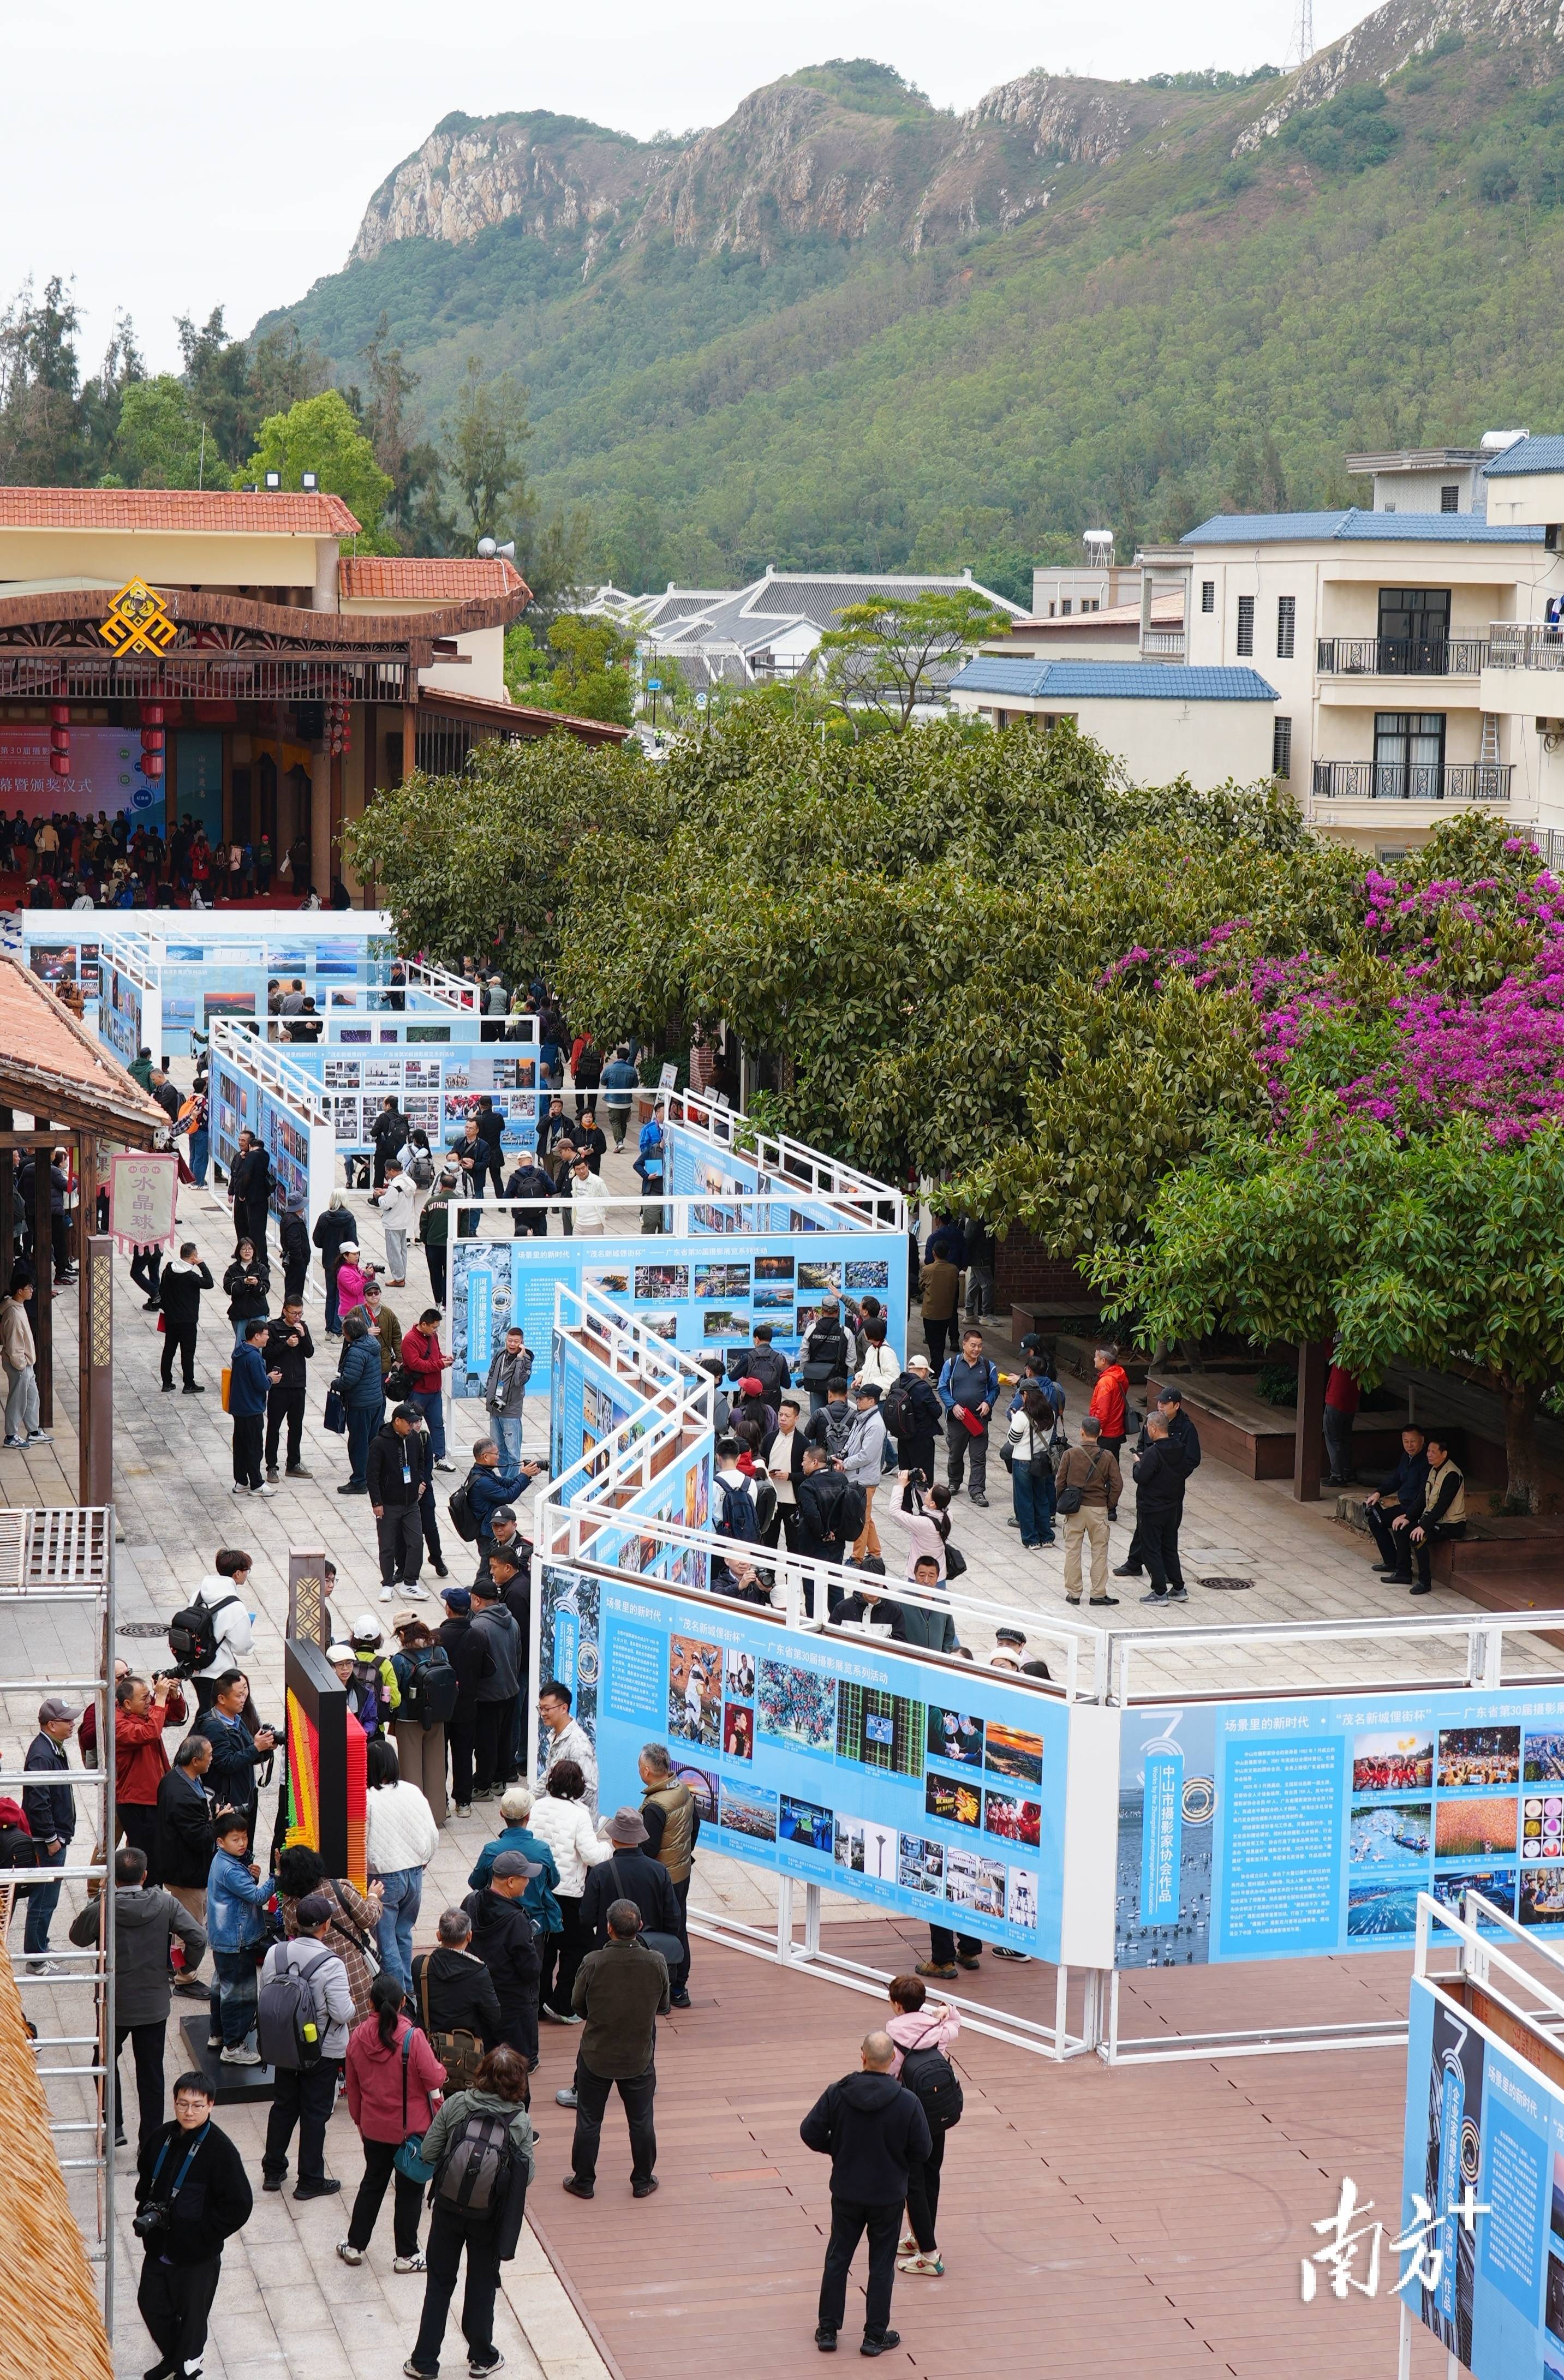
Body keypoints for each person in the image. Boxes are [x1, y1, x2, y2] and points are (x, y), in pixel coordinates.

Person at [405, 2044, 535, 2380]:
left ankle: (424, 2362)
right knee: (481, 2284)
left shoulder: (458, 2104)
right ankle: (481, 2357)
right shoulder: (519, 2122)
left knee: (439, 2283)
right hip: (488, 2218)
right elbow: (526, 2177)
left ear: (482, 2072)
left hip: (448, 2210)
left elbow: (429, 2151)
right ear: (518, 2084)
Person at [801, 2030, 932, 2357]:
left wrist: (838, 2149)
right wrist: (896, 2161)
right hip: (888, 2195)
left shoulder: (838, 2092)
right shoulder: (908, 2102)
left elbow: (810, 2132)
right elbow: (923, 2150)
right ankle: (874, 2337)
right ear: (893, 2059)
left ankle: (828, 2331)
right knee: (882, 2264)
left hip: (847, 2191)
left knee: (838, 2257)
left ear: (862, 2056)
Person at [70, 1845, 206, 2153]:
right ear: (145, 1876)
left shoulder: (104, 1907)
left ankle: (113, 2126)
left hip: (113, 2004)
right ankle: (151, 2142)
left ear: (113, 1876)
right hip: (153, 2005)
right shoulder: (166, 1904)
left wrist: (99, 1898)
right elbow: (198, 1937)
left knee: (104, 2062)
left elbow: (77, 1937)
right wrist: (185, 1966)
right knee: (151, 2073)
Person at [134, 2072, 253, 2380]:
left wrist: (203, 2236)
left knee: (192, 2321)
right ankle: (175, 2358)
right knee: (150, 2304)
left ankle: (187, 2370)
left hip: (198, 2257)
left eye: (197, 2105)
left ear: (211, 2105)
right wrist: (146, 2208)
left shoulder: (221, 2150)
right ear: (174, 2103)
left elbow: (240, 2205)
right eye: (182, 2104)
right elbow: (146, 2179)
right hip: (159, 2247)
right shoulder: (160, 2138)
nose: (189, 2112)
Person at [339, 1969, 447, 2276]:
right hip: (412, 2132)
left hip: (374, 2129)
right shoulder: (413, 2038)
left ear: (370, 2004)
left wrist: (360, 2122)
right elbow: (435, 2078)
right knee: (410, 2190)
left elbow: (353, 2088)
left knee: (372, 2184)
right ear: (402, 2004)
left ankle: (355, 2246)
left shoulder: (357, 2037)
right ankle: (407, 2255)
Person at [562, 1899, 670, 2197]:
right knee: (642, 2121)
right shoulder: (656, 1961)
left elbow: (577, 2005)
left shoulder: (593, 1962)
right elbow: (663, 2005)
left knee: (589, 2120)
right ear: (639, 1926)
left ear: (608, 1928)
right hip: (638, 2055)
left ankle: (584, 2181)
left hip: (596, 2053)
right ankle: (643, 2180)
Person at [260, 1890, 358, 2198]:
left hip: (284, 2046)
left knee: (283, 2106)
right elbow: (342, 2013)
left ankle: (273, 2170)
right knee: (315, 2113)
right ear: (326, 1925)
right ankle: (310, 2180)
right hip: (321, 2050)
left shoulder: (275, 1954)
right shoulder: (331, 1963)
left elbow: (267, 1994)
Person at [884, 1976, 960, 2280]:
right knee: (931, 2176)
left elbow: (890, 2074)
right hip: (937, 2112)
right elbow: (956, 2022)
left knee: (913, 2184)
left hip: (911, 2117)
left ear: (897, 2005)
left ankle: (929, 2255)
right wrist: (945, 2009)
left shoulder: (894, 2032)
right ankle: (919, 2236)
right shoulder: (936, 2027)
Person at [527, 1759, 611, 2024]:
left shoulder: (537, 1806)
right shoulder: (580, 1814)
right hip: (568, 1892)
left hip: (538, 1889)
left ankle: (539, 2002)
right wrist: (609, 1848)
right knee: (578, 1946)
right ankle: (562, 2002)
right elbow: (591, 1855)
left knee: (545, 1947)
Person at [365, 1736, 439, 1994]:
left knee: (386, 1942)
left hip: (383, 1878)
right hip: (415, 1873)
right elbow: (432, 1833)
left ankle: (400, 1996)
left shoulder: (368, 1799)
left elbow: (362, 1841)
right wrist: (424, 1860)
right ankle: (408, 1989)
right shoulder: (412, 1791)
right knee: (404, 1934)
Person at [205, 1811, 274, 2062]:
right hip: (237, 1940)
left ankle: (218, 2034)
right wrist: (275, 1879)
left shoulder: (223, 1861)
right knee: (241, 1995)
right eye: (236, 1839)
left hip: (224, 1938)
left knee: (222, 1989)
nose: (242, 1843)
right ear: (221, 1842)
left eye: (244, 1837)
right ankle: (234, 2047)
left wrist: (252, 1876)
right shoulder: (230, 1869)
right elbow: (258, 1897)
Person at [463, 1849, 544, 2062]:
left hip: (480, 1999)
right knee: (515, 2066)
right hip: (511, 2006)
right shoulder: (517, 1921)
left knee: (485, 2062)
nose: (528, 1882)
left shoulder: (471, 1902)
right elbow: (531, 1970)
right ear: (511, 1882)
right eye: (525, 1877)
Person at [1115, 1386, 1201, 1582]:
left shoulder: (1186, 1428)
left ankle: (1165, 1575)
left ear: (1177, 1406)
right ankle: (1134, 1562)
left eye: (1165, 1403)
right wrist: (1143, 1461)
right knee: (1143, 1525)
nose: (1160, 1406)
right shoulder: (1153, 1421)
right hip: (1150, 1482)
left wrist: (1175, 1475)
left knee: (1167, 1532)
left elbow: (1193, 1459)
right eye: (1159, 1402)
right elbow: (1142, 1446)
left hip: (1171, 1490)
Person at [411, 1904, 504, 2078]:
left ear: (438, 1935)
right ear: (470, 1936)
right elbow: (494, 2016)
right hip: (467, 2054)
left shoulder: (421, 1966)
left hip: (428, 2049)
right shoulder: (480, 1974)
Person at [20, 1693, 78, 1966]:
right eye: (68, 1721)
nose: (73, 1724)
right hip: (48, 1843)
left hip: (53, 1838)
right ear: (52, 1725)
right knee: (43, 1900)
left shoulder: (52, 1747)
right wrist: (52, 1838)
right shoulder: (43, 1755)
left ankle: (40, 1946)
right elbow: (39, 1800)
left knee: (46, 1899)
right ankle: (36, 1960)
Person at [468, 1783, 562, 1944]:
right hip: (535, 1926)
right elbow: (554, 1882)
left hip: (497, 1924)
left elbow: (475, 1883)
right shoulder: (542, 1850)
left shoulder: (491, 1850)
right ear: (528, 1816)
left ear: (501, 1814)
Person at [113, 1669, 188, 1865]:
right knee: (145, 1856)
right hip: (137, 1801)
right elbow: (150, 1733)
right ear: (127, 1704)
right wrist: (161, 1698)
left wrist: (173, 1695)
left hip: (155, 1796)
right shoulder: (118, 1724)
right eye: (145, 1698)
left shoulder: (140, 1712)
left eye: (150, 1695)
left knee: (159, 1854)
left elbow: (175, 1715)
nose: (150, 1701)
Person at [390, 1613, 455, 1825]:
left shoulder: (400, 1660)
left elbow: (395, 1690)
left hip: (409, 1720)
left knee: (411, 1771)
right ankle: (436, 1815)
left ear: (402, 1633)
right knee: (436, 1768)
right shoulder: (440, 1651)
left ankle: (414, 1819)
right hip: (437, 1716)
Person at [1054, 1416, 1122, 1610]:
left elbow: (1059, 1482)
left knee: (1072, 1550)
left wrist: (1064, 1501)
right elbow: (1117, 1484)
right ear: (1100, 1433)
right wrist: (1109, 1504)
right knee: (1099, 1551)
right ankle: (1098, 1594)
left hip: (1075, 1509)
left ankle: (1074, 1593)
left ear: (1081, 1431)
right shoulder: (1108, 1456)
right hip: (1098, 1509)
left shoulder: (1070, 1454)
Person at [195, 1670, 276, 1832]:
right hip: (230, 1804)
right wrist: (256, 1747)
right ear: (222, 1699)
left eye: (245, 1693)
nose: (244, 1699)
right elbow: (226, 1763)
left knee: (246, 1843)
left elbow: (246, 1754)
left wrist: (265, 1748)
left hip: (246, 1797)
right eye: (239, 1696)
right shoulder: (214, 1727)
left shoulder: (236, 1718)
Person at [367, 1401, 432, 1597]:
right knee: (387, 1546)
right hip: (388, 1504)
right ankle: (387, 1584)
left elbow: (421, 1461)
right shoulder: (380, 1443)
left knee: (416, 1542)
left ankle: (410, 1582)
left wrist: (419, 1480)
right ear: (397, 1421)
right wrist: (377, 1502)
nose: (412, 1426)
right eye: (409, 1423)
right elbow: (372, 1475)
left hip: (411, 1503)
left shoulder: (414, 1439)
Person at [182, 1548, 258, 1714]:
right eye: (247, 1570)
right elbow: (242, 1647)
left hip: (196, 1666)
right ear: (238, 1574)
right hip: (218, 1672)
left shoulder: (198, 1595)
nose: (247, 1574)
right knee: (213, 1717)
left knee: (207, 1711)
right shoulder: (235, 1606)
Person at [154, 1734, 218, 1929]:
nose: (212, 1759)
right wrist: (220, 1822)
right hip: (187, 1874)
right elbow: (200, 1837)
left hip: (184, 1867)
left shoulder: (177, 1777)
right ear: (195, 1761)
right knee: (189, 1931)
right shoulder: (182, 1795)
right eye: (209, 1755)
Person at [1131, 1412, 1192, 1605]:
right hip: (1173, 1506)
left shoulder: (1153, 1453)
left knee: (1152, 1549)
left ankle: (1159, 1592)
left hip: (1152, 1508)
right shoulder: (1180, 1448)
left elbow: (1141, 1477)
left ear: (1154, 1428)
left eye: (1148, 1428)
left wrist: (1138, 1464)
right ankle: (1179, 1588)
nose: (1147, 1431)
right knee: (1170, 1548)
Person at [470, 1577, 523, 1798]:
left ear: (477, 1600)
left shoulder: (478, 1627)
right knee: (504, 1739)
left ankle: (482, 1785)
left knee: (485, 1743)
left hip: (487, 1695)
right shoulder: (513, 1622)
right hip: (510, 1691)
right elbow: (518, 1656)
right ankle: (500, 1780)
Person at [938, 1327, 999, 1507]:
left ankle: (977, 1490)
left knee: (979, 1457)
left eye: (980, 1346)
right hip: (958, 1419)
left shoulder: (988, 1366)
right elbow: (942, 1388)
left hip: (979, 1419)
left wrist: (988, 1403)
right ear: (964, 1344)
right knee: (955, 1453)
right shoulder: (951, 1364)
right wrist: (953, 1406)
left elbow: (995, 1388)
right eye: (973, 1345)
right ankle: (954, 1482)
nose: (976, 1349)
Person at [1364, 1425, 1431, 1586]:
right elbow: (1396, 1479)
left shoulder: (1426, 1462)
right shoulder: (1406, 1457)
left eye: (1413, 1441)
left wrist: (1408, 1516)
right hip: (1404, 1506)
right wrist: (1378, 1493)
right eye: (1406, 1441)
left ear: (1422, 1440)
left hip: (1418, 1510)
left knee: (1399, 1526)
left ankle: (1404, 1572)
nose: (1409, 1445)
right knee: (1375, 1520)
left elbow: (1423, 1495)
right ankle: (1391, 1562)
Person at [262, 1295, 314, 1481]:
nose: (297, 1317)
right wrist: (286, 1344)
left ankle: (293, 1463)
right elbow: (267, 1354)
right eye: (294, 1313)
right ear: (285, 1311)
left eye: (300, 1313)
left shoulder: (302, 1327)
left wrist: (303, 1336)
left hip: (298, 1385)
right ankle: (271, 1466)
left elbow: (310, 1353)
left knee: (296, 1427)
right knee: (274, 1427)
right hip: (279, 1386)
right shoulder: (273, 1328)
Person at [334, 1313, 386, 1496]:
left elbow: (349, 1380)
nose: (343, 1333)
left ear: (351, 1334)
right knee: (371, 1442)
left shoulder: (356, 1352)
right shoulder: (372, 1344)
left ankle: (359, 1481)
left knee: (358, 1444)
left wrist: (335, 1384)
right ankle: (372, 1478)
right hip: (375, 1401)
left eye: (344, 1331)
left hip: (361, 1404)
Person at [1410, 1434, 1466, 1595]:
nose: (1429, 1455)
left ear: (1444, 1454)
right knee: (1405, 1528)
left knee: (1419, 1538)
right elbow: (1423, 1497)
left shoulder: (1452, 1474)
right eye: (1428, 1451)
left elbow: (1442, 1506)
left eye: (1433, 1452)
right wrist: (1407, 1517)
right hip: (1437, 1520)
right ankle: (1403, 1571)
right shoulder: (1434, 1470)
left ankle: (1424, 1582)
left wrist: (1423, 1526)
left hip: (1452, 1524)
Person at [1005, 1385, 1059, 1549]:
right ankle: (1046, 1537)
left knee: (1025, 1500)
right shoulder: (1051, 1413)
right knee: (1041, 1498)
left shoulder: (1021, 1416)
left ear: (1026, 1395)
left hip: (1023, 1461)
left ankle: (1031, 1539)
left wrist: (1014, 1418)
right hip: (1041, 1461)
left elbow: (1012, 1440)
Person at [229, 1318, 276, 1498]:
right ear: (256, 1336)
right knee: (254, 1447)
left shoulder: (240, 1352)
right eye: (266, 1334)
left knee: (240, 1446)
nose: (268, 1337)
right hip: (252, 1408)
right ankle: (257, 1483)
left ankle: (241, 1481)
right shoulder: (254, 1357)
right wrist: (270, 1379)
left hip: (239, 1407)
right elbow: (261, 1384)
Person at [403, 1308, 455, 1471]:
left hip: (434, 1391)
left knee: (437, 1425)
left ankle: (440, 1457)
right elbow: (416, 1364)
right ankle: (409, 1457)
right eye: (434, 1327)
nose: (436, 1331)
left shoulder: (433, 1337)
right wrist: (440, 1364)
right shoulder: (410, 1340)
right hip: (417, 1391)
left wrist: (444, 1359)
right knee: (411, 1425)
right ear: (424, 1324)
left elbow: (436, 1356)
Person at [157, 1245, 212, 1397]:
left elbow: (161, 1290)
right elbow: (209, 1283)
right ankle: (189, 1384)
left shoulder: (168, 1270)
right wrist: (202, 1265)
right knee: (187, 1353)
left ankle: (166, 1382)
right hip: (188, 1321)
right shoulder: (191, 1277)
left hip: (171, 1318)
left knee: (169, 1350)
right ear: (193, 1257)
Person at [536, 1677, 599, 1809]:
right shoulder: (555, 1735)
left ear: (564, 1708)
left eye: (547, 1709)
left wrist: (560, 1807)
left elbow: (590, 1788)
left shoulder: (578, 1745)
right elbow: (549, 1775)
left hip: (574, 1819)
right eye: (540, 1708)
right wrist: (528, 1798)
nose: (542, 1713)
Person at [843, 1383, 888, 1562]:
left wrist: (846, 1463)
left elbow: (866, 1455)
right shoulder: (862, 1418)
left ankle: (857, 1558)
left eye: (861, 1398)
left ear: (872, 1401)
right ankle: (875, 1552)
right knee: (866, 1517)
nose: (858, 1401)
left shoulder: (875, 1425)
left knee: (861, 1519)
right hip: (858, 1476)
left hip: (865, 1480)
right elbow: (851, 1444)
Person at [0, 1269, 45, 1447]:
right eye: (29, 1288)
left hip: (26, 1364)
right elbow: (14, 1344)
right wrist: (21, 1364)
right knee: (17, 1401)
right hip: (19, 1364)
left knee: (33, 1397)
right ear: (20, 1291)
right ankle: (11, 1436)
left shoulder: (18, 1307)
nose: (32, 1291)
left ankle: (33, 1432)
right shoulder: (13, 1313)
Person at [483, 1325, 533, 1472]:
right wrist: (489, 1391)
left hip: (511, 1412)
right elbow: (491, 1374)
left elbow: (519, 1381)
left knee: (512, 1452)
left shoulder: (526, 1360)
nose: (512, 1344)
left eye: (516, 1342)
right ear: (506, 1340)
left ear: (522, 1343)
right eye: (510, 1340)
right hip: (495, 1407)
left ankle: (513, 1482)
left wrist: (520, 1359)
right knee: (498, 1450)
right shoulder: (501, 1354)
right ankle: (505, 1480)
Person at [886, 1353, 942, 1485]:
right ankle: (923, 1499)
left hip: (902, 1436)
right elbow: (937, 1411)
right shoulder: (923, 1387)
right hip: (921, 1439)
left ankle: (905, 1499)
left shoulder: (896, 1384)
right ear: (923, 1370)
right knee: (923, 1478)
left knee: (905, 1476)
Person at [313, 1192, 358, 1337]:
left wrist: (328, 1245)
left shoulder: (324, 1218)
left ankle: (329, 1329)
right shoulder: (349, 1219)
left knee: (331, 1296)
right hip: (344, 1264)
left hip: (329, 1262)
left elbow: (317, 1240)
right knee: (342, 1297)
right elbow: (354, 1242)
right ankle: (338, 1329)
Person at [798, 1298, 852, 1412]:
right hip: (838, 1383)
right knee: (840, 1417)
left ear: (822, 1311)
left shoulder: (811, 1330)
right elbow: (852, 1360)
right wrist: (844, 1377)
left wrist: (807, 1372)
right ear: (838, 1311)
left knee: (817, 1417)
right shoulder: (846, 1332)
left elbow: (804, 1354)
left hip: (815, 1379)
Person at [918, 1245, 963, 1371]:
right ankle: (936, 1367)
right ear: (948, 1253)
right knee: (941, 1340)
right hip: (946, 1311)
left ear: (934, 1253)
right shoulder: (954, 1269)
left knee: (933, 1342)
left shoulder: (927, 1269)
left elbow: (921, 1286)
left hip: (930, 1312)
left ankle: (939, 1370)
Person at [223, 1238, 270, 1354]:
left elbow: (265, 1289)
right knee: (241, 1346)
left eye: (250, 1249)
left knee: (259, 1346)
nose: (247, 1251)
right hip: (240, 1313)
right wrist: (243, 1282)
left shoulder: (261, 1269)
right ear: (238, 1252)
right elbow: (229, 1289)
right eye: (244, 1249)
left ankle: (259, 1365)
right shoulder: (233, 1270)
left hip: (258, 1312)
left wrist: (256, 1284)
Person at [377, 1158, 419, 1286]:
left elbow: (387, 1204)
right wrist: (386, 1192)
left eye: (387, 1172)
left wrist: (379, 1197)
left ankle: (399, 1278)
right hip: (404, 1221)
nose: (387, 1175)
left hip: (393, 1222)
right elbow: (399, 1195)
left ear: (392, 1171)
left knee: (394, 1252)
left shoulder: (395, 1186)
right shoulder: (408, 1182)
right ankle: (402, 1274)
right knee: (402, 1251)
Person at [228, 1129, 272, 1251]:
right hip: (239, 1196)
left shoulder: (255, 1157)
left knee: (251, 1227)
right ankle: (241, 1249)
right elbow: (234, 1175)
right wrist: (231, 1192)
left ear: (250, 1143)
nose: (240, 1142)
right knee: (239, 1224)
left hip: (249, 1198)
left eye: (243, 1141)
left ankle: (251, 1250)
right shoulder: (238, 1156)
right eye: (239, 1140)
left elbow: (247, 1176)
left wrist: (242, 1194)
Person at [419, 1169, 456, 1307]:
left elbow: (423, 1223)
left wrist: (425, 1239)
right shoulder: (460, 1203)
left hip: (433, 1244)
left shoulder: (431, 1202)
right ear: (455, 1187)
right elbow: (465, 1227)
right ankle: (447, 1303)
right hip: (451, 1245)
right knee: (449, 1274)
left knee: (435, 1274)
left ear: (441, 1186)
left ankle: (438, 1301)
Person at [1088, 1343, 1130, 1461]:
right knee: (1113, 1465)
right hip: (1117, 1430)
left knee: (1100, 1467)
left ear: (1103, 1361)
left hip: (1106, 1433)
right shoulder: (1120, 1374)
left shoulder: (1105, 1383)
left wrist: (1093, 1431)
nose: (1094, 1359)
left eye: (1096, 1356)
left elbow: (1102, 1413)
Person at [600, 1046, 639, 1150]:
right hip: (627, 1101)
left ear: (617, 1056)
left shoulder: (609, 1069)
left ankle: (619, 1142)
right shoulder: (632, 1070)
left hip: (613, 1101)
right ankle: (621, 1141)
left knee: (615, 1121)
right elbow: (636, 1085)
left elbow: (603, 1082)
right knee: (623, 1122)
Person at [278, 1191, 311, 1306]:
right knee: (294, 1295)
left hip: (293, 1263)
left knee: (291, 1292)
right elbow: (294, 1245)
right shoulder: (294, 1223)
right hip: (296, 1266)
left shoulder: (287, 1218)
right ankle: (290, 1314)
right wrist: (300, 1262)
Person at [569, 1151, 612, 1233]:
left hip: (594, 1223)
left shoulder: (598, 1182)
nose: (581, 1171)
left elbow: (607, 1200)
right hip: (578, 1223)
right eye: (578, 1169)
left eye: (583, 1168)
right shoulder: (575, 1181)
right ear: (574, 1170)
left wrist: (601, 1213)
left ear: (587, 1167)